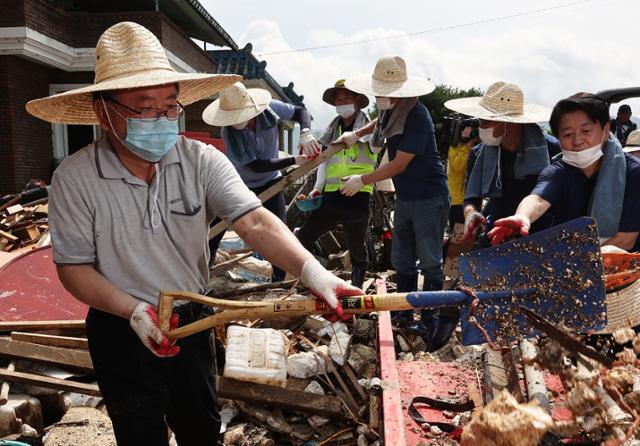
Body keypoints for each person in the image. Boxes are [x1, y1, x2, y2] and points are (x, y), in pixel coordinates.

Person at [26, 22, 362, 446]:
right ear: (102, 111)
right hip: (120, 326)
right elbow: (73, 268)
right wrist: (132, 310)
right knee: (138, 432)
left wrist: (315, 274)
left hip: (192, 319)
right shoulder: (74, 178)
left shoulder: (200, 160)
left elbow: (255, 221)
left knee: (201, 429)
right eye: (145, 107)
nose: (162, 119)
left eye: (170, 106)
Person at [334, 56, 451, 350]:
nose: (379, 99)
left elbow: (399, 164)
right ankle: (403, 310)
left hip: (429, 196)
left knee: (430, 261)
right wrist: (357, 134)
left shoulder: (417, 116)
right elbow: (379, 122)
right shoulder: (392, 113)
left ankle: (428, 315)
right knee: (401, 259)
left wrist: (363, 179)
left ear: (399, 93)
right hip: (407, 197)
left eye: (383, 93)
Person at [488, 93, 640, 252]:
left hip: (624, 267)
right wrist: (522, 216)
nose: (577, 141)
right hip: (573, 259)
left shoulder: (633, 173)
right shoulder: (559, 172)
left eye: (586, 131)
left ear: (606, 129)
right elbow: (538, 199)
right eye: (567, 134)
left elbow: (625, 240)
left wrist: (578, 261)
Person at [201, 82, 319, 282]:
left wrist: (306, 132)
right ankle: (201, 278)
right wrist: (293, 160)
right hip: (237, 184)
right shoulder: (228, 132)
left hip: (271, 182)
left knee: (278, 232)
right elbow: (255, 165)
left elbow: (300, 112)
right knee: (213, 233)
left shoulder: (270, 109)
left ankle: (279, 281)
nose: (239, 122)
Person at [444, 82, 560, 247]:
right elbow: (471, 198)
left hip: (543, 236)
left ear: (507, 122)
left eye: (486, 122)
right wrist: (471, 213)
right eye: (480, 121)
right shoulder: (478, 154)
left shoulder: (550, 149)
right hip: (498, 233)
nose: (481, 128)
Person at [297, 80, 375, 288]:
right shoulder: (333, 128)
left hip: (357, 194)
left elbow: (376, 150)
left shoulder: (368, 128)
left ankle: (357, 289)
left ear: (357, 101)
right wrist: (316, 187)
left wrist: (364, 135)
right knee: (303, 236)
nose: (342, 103)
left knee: (357, 247)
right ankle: (312, 281)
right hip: (331, 195)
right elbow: (325, 160)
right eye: (338, 100)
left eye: (346, 98)